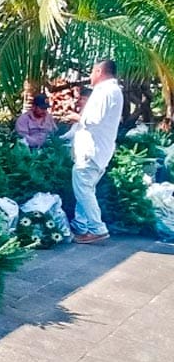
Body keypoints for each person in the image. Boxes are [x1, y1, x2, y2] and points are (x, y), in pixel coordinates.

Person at [63, 60, 123, 244]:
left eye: (92, 72)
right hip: (98, 150)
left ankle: (97, 228)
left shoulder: (105, 91)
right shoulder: (113, 91)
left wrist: (76, 117)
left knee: (83, 189)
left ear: (99, 71)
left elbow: (95, 119)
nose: (90, 76)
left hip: (91, 151)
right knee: (86, 189)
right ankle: (81, 226)